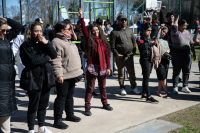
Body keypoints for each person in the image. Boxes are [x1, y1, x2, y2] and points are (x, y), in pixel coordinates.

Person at [20, 22, 57, 133]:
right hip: (33, 79)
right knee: (33, 105)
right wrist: (47, 58)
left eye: (40, 31)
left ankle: (41, 127)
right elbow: (32, 61)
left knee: (43, 104)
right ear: (30, 32)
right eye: (36, 31)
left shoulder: (43, 44)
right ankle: (31, 129)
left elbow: (54, 55)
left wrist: (47, 43)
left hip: (46, 77)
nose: (39, 33)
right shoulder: (25, 46)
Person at [78, 8, 113, 116]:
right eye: (93, 30)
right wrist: (81, 16)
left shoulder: (103, 41)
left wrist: (108, 67)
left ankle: (105, 103)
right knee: (90, 88)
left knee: (102, 87)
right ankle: (87, 107)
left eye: (97, 30)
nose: (96, 31)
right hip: (92, 67)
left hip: (103, 67)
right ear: (91, 32)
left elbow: (107, 55)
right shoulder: (89, 39)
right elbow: (83, 29)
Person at [49, 21, 83, 129]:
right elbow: (56, 60)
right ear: (62, 30)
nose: (71, 31)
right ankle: (57, 120)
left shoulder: (68, 40)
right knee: (61, 97)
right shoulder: (56, 42)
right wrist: (59, 75)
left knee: (70, 96)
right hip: (63, 75)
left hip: (72, 73)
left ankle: (69, 114)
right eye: (69, 29)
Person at [110, 14, 140, 95]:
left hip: (129, 56)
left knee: (132, 73)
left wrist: (134, 50)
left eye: (125, 20)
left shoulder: (130, 30)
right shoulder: (114, 32)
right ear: (118, 21)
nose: (124, 21)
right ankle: (122, 88)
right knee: (121, 74)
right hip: (120, 57)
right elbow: (112, 46)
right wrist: (116, 54)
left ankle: (134, 87)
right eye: (122, 20)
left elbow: (133, 41)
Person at [0, 16, 21, 133]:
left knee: (5, 112)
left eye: (6, 30)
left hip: (7, 83)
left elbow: (18, 27)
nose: (5, 32)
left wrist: (5, 19)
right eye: (2, 30)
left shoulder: (5, 38)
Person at [171, 17, 196, 94]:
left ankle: (185, 86)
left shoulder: (188, 33)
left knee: (187, 71)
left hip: (187, 55)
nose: (185, 27)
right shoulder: (174, 32)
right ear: (179, 25)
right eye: (183, 25)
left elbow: (191, 44)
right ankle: (175, 87)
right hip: (177, 55)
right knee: (176, 71)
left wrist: (194, 53)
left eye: (186, 25)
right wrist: (176, 21)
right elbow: (174, 27)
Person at [137, 23, 159, 103]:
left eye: (150, 30)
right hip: (144, 59)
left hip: (150, 59)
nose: (149, 32)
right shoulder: (140, 38)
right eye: (148, 30)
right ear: (143, 30)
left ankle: (144, 94)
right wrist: (151, 42)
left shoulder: (150, 38)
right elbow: (141, 47)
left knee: (146, 77)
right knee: (146, 78)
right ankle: (149, 96)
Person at [156, 25, 170, 97]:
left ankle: (158, 92)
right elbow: (155, 40)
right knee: (163, 78)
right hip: (159, 61)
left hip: (166, 61)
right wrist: (159, 30)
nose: (164, 33)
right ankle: (167, 92)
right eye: (163, 31)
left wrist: (168, 51)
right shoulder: (156, 39)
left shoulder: (165, 40)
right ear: (160, 30)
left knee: (162, 78)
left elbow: (168, 48)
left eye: (165, 32)